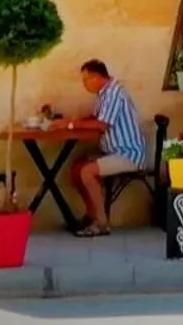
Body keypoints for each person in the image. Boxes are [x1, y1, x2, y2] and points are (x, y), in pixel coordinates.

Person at [68, 58, 145, 237]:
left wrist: (72, 125)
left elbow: (102, 125)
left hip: (127, 154)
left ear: (96, 77)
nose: (84, 84)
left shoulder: (113, 93)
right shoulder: (104, 93)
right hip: (113, 152)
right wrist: (72, 121)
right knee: (77, 169)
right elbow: (95, 117)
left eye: (86, 80)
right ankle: (91, 215)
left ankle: (101, 223)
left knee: (87, 172)